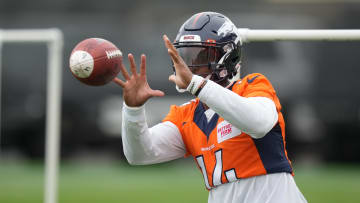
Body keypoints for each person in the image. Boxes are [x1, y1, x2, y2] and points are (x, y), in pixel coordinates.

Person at [113, 11, 307, 203]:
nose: (191, 66)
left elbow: (258, 123)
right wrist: (133, 110)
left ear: (227, 56)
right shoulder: (187, 115)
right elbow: (139, 154)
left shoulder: (253, 86)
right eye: (186, 56)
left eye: (200, 56)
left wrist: (196, 84)